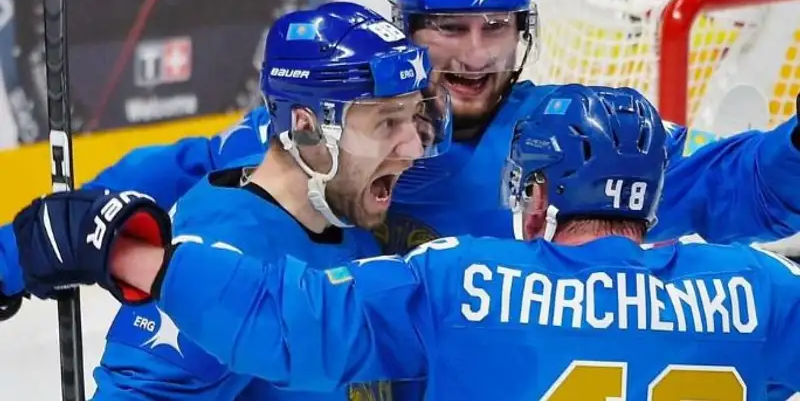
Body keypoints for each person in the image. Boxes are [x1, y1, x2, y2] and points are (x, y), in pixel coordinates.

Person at [4, 0, 800, 307]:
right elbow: (187, 169)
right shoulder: (327, 136)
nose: (477, 56)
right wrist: (30, 249)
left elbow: (743, 180)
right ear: (405, 26)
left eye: (496, 27)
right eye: (449, 27)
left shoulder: (578, 138)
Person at [19, 84, 800, 399]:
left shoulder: (468, 283)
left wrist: (125, 250)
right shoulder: (757, 289)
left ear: (535, 196)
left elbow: (291, 320)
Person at [18, 1, 447, 401]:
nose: (412, 147)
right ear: (306, 128)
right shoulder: (219, 256)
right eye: (386, 123)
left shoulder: (338, 203)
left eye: (413, 117)